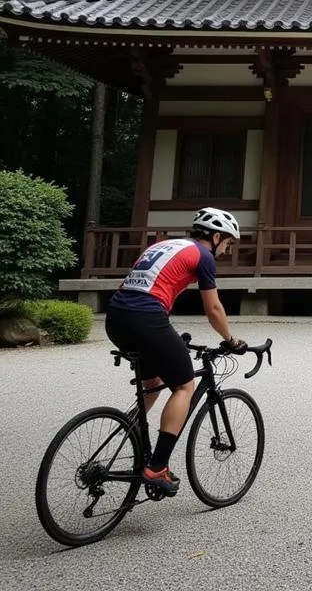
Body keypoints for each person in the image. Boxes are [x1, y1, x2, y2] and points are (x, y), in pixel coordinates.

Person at [104, 207, 247, 496]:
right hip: (146, 319)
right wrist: (231, 340)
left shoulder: (163, 245)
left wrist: (166, 337)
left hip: (116, 317)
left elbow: (148, 287)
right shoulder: (203, 255)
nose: (228, 249)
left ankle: (128, 432)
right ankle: (157, 468)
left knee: (154, 383)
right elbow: (214, 308)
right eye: (228, 243)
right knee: (184, 385)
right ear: (216, 236)